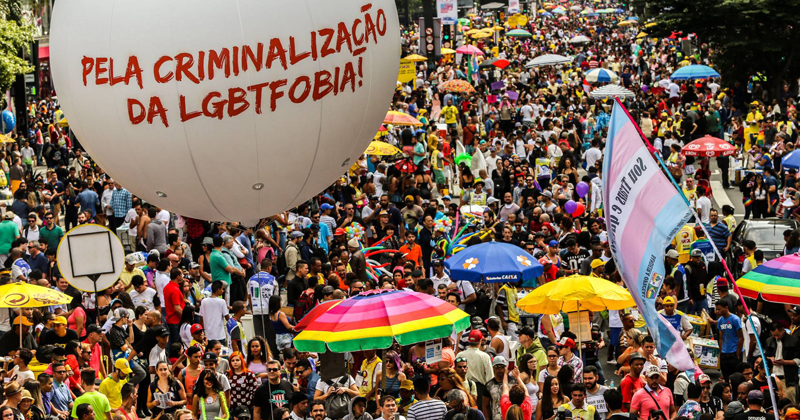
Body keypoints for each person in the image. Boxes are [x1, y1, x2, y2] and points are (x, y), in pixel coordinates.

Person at [716, 300, 744, 380]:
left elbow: (741, 337)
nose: (717, 311)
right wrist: (721, 351)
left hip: (734, 352)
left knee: (735, 377)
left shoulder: (735, 319)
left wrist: (738, 353)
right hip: (725, 353)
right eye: (717, 309)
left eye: (719, 309)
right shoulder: (720, 321)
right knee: (726, 376)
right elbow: (721, 337)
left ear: (726, 308)